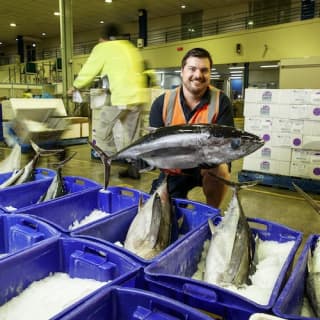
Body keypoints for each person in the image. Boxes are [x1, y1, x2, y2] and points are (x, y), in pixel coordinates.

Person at [149, 47, 234, 208]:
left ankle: (211, 212)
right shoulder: (163, 102)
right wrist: (148, 159)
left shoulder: (221, 102)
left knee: (221, 169)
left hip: (208, 168)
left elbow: (226, 147)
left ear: (210, 73)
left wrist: (209, 160)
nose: (198, 75)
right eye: (192, 69)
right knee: (158, 211)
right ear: (182, 71)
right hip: (174, 169)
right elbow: (154, 144)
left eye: (204, 70)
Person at [68, 23, 147, 179]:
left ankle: (110, 158)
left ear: (102, 39)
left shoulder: (104, 47)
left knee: (102, 129)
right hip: (137, 98)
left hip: (120, 97)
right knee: (131, 136)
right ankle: (133, 167)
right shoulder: (130, 47)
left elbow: (89, 69)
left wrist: (75, 86)